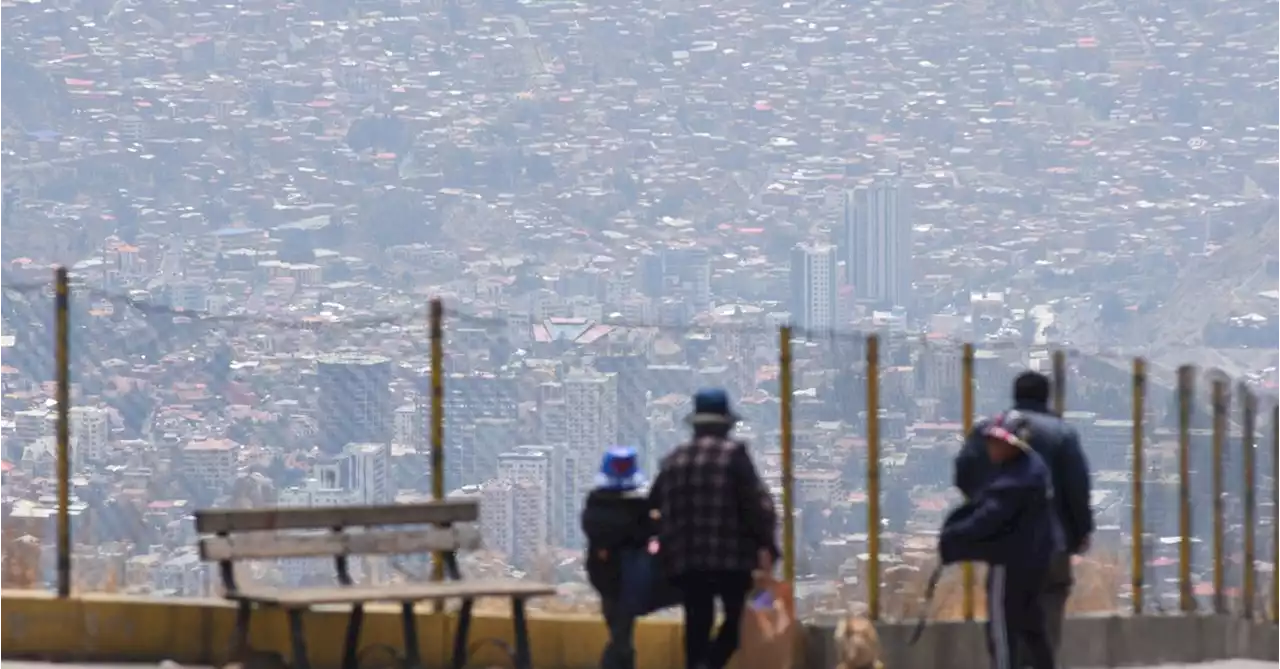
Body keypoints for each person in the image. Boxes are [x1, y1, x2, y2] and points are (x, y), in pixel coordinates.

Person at [954, 371, 1094, 658]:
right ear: (1047, 396)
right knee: (1048, 610)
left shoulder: (992, 432)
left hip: (1008, 546)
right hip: (1052, 547)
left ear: (1015, 395)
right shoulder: (1062, 434)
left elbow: (964, 474)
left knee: (1005, 617)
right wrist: (1080, 533)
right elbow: (1077, 489)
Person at [650, 388, 779, 669]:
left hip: (686, 562)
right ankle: (710, 664)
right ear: (726, 425)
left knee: (696, 622)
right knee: (737, 622)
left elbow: (653, 505)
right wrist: (768, 545)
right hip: (731, 560)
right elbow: (755, 506)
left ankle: (698, 664)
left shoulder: (674, 460)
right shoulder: (734, 456)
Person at [941, 412, 1064, 669]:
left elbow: (989, 518)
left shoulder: (1014, 480)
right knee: (1032, 627)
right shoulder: (1032, 469)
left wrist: (954, 537)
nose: (991, 447)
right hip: (1035, 563)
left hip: (1010, 565)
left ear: (1012, 445)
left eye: (998, 442)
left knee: (1002, 628)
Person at [581, 447, 658, 669]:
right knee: (621, 637)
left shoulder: (595, 503)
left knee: (620, 632)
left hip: (604, 577)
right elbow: (648, 531)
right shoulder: (638, 507)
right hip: (631, 577)